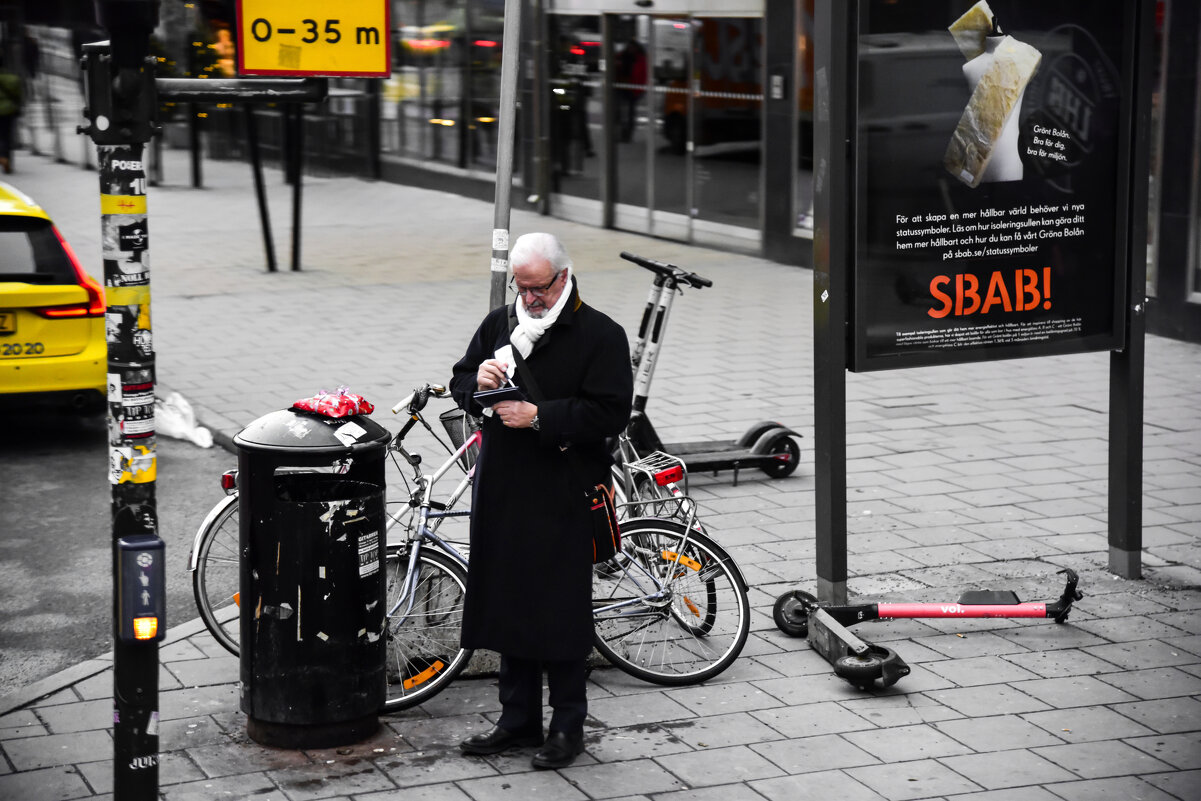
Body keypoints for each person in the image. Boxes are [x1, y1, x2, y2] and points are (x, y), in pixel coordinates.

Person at [450, 233, 632, 770]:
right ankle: (517, 720)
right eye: (520, 288)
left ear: (563, 276)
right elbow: (460, 378)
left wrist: (539, 417)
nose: (528, 300)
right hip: (505, 487)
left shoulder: (601, 334)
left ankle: (567, 728)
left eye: (538, 289)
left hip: (563, 491)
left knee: (560, 612)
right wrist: (474, 379)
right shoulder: (499, 324)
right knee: (508, 602)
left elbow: (609, 413)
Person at [0, 51, 23, 174]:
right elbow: (18, 96)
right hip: (8, 111)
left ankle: (2, 156)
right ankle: (6, 158)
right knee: (7, 136)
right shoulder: (12, 79)